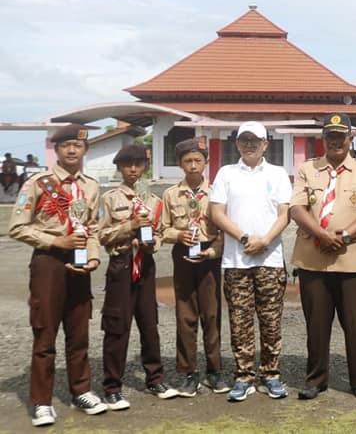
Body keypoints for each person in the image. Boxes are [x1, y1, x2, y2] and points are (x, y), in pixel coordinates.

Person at [8, 124, 108, 426]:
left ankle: (81, 391)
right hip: (49, 262)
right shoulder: (39, 183)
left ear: (85, 150)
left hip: (80, 262)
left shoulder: (91, 186)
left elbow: (93, 228)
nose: (71, 150)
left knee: (79, 332)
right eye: (65, 145)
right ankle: (41, 401)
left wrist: (93, 258)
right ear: (57, 149)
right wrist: (56, 241)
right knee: (45, 331)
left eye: (77, 146)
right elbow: (17, 227)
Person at [289, 114, 356, 401]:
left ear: (351, 138)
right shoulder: (307, 169)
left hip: (351, 257)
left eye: (341, 135)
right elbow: (297, 208)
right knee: (316, 323)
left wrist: (344, 236)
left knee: (355, 324)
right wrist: (322, 235)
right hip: (313, 257)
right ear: (323, 139)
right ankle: (316, 379)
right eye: (330, 136)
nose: (335, 141)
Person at [210, 121, 292, 401]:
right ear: (237, 143)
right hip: (236, 261)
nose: (249, 145)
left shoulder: (278, 174)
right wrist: (245, 238)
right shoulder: (226, 173)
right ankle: (244, 376)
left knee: (271, 321)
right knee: (240, 321)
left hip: (270, 259)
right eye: (244, 140)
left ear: (265, 144)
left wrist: (266, 240)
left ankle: (271, 374)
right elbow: (217, 213)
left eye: (255, 140)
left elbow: (284, 214)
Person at [97, 144, 178, 409]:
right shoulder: (110, 199)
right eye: (127, 164)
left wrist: (151, 243)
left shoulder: (153, 200)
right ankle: (112, 386)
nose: (133, 169)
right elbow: (101, 234)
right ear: (119, 168)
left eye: (138, 164)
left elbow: (160, 233)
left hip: (146, 265)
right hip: (121, 265)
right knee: (117, 326)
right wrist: (129, 227)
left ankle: (155, 379)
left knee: (149, 323)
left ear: (145, 167)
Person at [159, 138, 228, 397]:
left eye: (198, 160)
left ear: (206, 163)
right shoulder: (170, 194)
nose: (193, 166)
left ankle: (214, 371)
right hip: (183, 255)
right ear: (179, 164)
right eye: (187, 161)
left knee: (211, 314)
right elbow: (161, 229)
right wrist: (177, 236)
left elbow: (223, 229)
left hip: (209, 254)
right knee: (186, 315)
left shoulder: (217, 192)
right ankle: (189, 372)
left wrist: (213, 251)